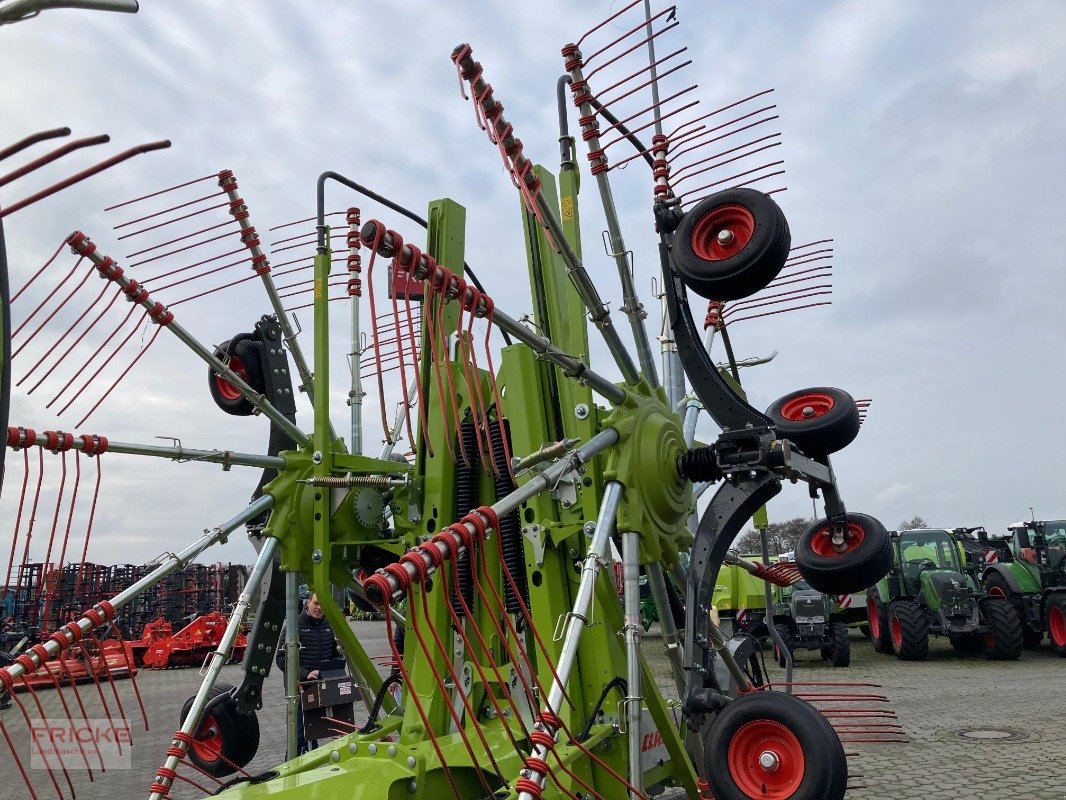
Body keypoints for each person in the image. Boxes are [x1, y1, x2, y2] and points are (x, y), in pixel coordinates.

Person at [275, 592, 339, 755]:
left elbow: (334, 654)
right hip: (299, 690)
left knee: (314, 734)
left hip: (320, 688)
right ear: (308, 603)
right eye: (316, 603)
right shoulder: (294, 625)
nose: (319, 608)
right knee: (299, 737)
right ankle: (290, 772)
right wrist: (304, 674)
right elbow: (281, 658)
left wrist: (334, 666)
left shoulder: (327, 626)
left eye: (322, 605)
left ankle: (309, 772)